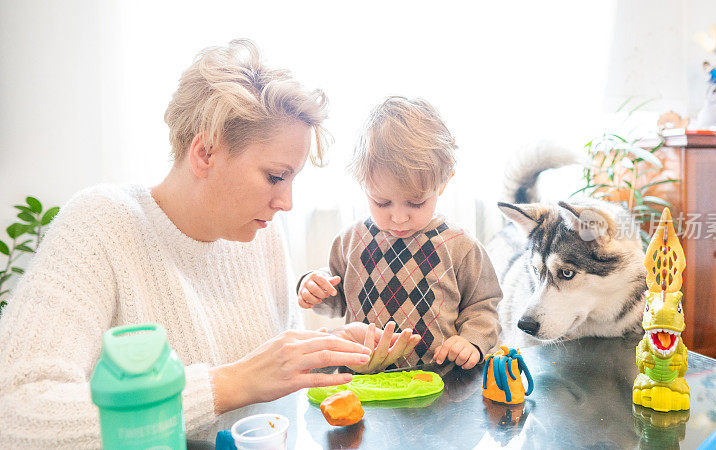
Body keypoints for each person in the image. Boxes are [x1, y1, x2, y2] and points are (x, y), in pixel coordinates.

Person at [0, 40, 416, 448]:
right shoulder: (100, 225)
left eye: (292, 179)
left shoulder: (259, 231)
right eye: (275, 177)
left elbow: (273, 396)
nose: (286, 202)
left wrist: (333, 353)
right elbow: (16, 414)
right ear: (204, 152)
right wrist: (227, 385)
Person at [297, 96, 502, 372]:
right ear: (363, 184)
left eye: (416, 203)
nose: (399, 217)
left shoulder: (460, 247)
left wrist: (471, 342)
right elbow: (335, 301)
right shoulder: (350, 241)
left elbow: (483, 306)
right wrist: (315, 288)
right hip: (364, 379)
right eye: (382, 203)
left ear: (443, 184)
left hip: (435, 384)